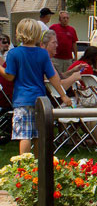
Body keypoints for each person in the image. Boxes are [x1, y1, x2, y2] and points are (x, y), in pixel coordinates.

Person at [0, 19, 71, 154]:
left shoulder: (14, 53)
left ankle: (25, 168)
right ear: (38, 34)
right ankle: (39, 168)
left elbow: (9, 76)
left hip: (22, 100)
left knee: (24, 136)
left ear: (19, 33)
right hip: (40, 100)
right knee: (38, 134)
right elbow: (53, 77)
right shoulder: (43, 53)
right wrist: (63, 95)